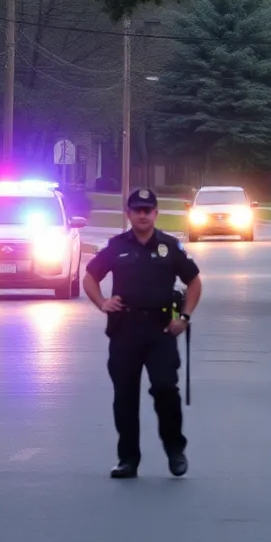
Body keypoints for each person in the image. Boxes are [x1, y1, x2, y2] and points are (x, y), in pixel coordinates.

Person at [83, 188, 202, 479]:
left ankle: (175, 451)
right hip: (125, 330)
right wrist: (102, 303)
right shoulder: (116, 246)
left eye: (148, 210)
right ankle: (128, 460)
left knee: (165, 389)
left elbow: (194, 281)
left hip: (162, 330)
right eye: (137, 210)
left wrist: (184, 317)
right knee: (125, 396)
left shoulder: (170, 247)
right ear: (129, 214)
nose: (142, 215)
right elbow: (90, 277)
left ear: (156, 213)